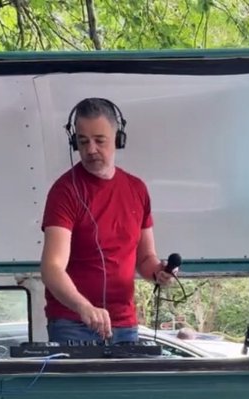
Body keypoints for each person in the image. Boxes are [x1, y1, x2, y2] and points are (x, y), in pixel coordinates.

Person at [39, 97, 176, 343]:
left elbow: (145, 258)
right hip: (73, 322)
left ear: (118, 139)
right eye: (82, 141)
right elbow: (52, 268)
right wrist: (83, 307)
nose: (91, 149)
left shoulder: (137, 189)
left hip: (124, 324)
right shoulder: (65, 192)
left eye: (99, 140)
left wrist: (159, 272)